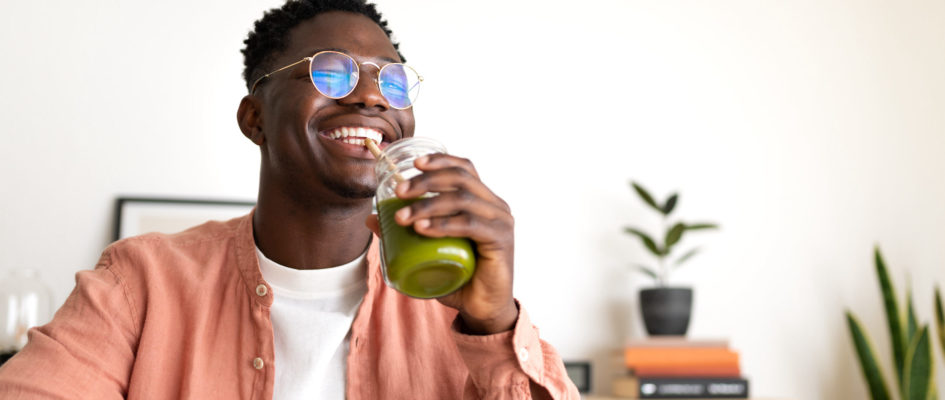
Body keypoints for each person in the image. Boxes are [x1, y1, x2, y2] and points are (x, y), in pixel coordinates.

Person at [0, 0, 580, 398]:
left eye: (393, 80)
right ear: (255, 118)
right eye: (332, 73)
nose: (375, 98)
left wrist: (495, 324)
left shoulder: (456, 302)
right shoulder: (140, 283)